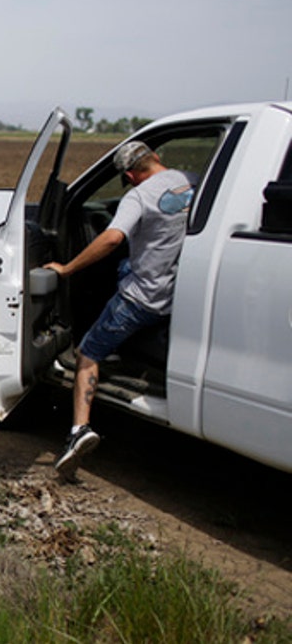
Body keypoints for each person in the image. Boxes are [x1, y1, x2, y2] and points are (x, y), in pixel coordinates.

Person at [42, 141, 197, 480]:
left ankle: (79, 430)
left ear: (129, 175)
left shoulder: (137, 197)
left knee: (88, 352)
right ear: (156, 158)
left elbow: (112, 238)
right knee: (125, 265)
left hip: (142, 300)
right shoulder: (192, 181)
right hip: (181, 295)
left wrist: (67, 269)